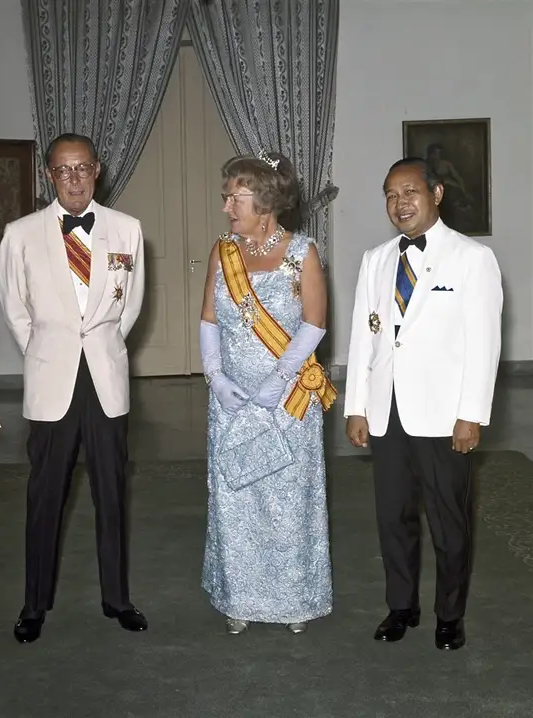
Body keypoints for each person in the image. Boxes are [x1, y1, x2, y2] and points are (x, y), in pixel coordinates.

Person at [344, 157, 503, 651]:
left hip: (443, 414)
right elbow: (363, 338)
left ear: (436, 193)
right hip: (386, 409)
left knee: (448, 521)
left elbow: (484, 344)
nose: (400, 203)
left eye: (410, 192)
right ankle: (401, 606)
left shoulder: (472, 258)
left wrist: (471, 414)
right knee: (393, 516)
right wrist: (356, 406)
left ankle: (449, 615)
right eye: (391, 195)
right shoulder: (375, 259)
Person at [0, 132, 147, 642]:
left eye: (82, 168)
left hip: (105, 378)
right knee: (45, 496)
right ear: (49, 175)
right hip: (51, 380)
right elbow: (15, 309)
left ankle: (117, 598)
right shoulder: (20, 234)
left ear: (97, 170)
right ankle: (34, 604)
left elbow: (130, 307)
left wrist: (100, 345)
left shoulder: (127, 230)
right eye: (64, 170)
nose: (75, 178)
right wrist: (48, 352)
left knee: (112, 494)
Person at [199, 150, 336, 635]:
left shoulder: (303, 252)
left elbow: (314, 323)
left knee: (288, 500)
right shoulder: (223, 252)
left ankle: (294, 600)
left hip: (287, 400)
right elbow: (209, 319)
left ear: (265, 201)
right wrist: (216, 377)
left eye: (234, 198)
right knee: (236, 498)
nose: (226, 207)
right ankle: (240, 598)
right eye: (225, 197)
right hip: (232, 400)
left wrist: (277, 382)